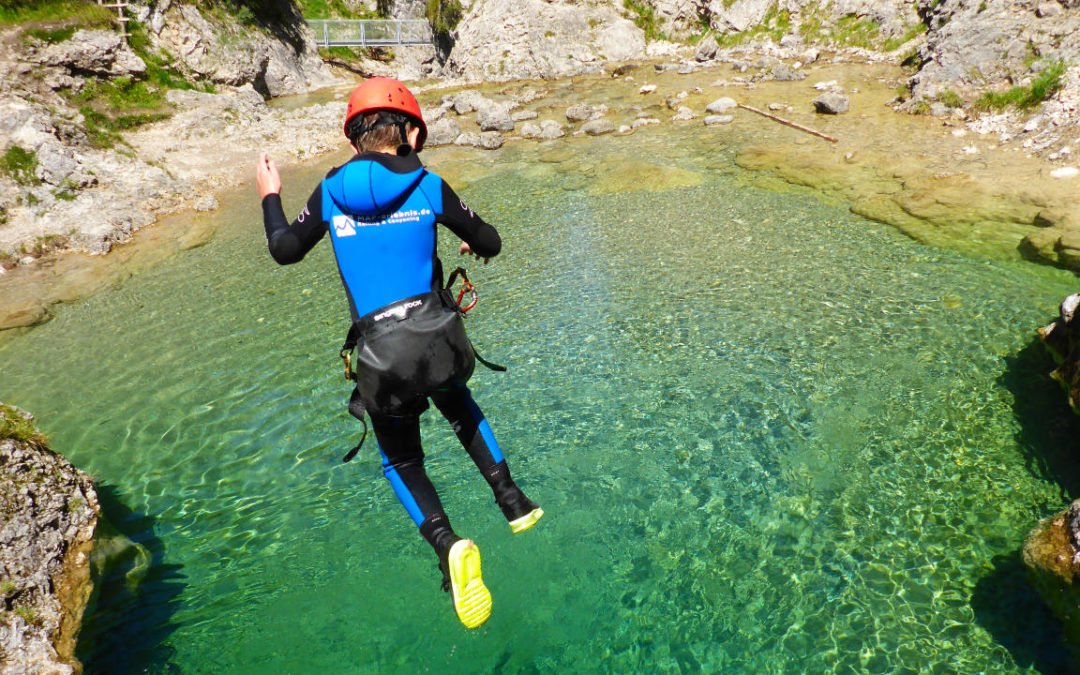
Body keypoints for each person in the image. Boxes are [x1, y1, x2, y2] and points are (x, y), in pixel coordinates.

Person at [255, 77, 542, 629]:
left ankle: (447, 544)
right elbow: (491, 241)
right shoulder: (429, 184)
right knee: (459, 404)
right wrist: (467, 237)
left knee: (403, 460)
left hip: (382, 357)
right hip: (439, 339)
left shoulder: (330, 190)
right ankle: (513, 502)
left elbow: (284, 249)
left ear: (355, 136)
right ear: (409, 131)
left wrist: (270, 192)